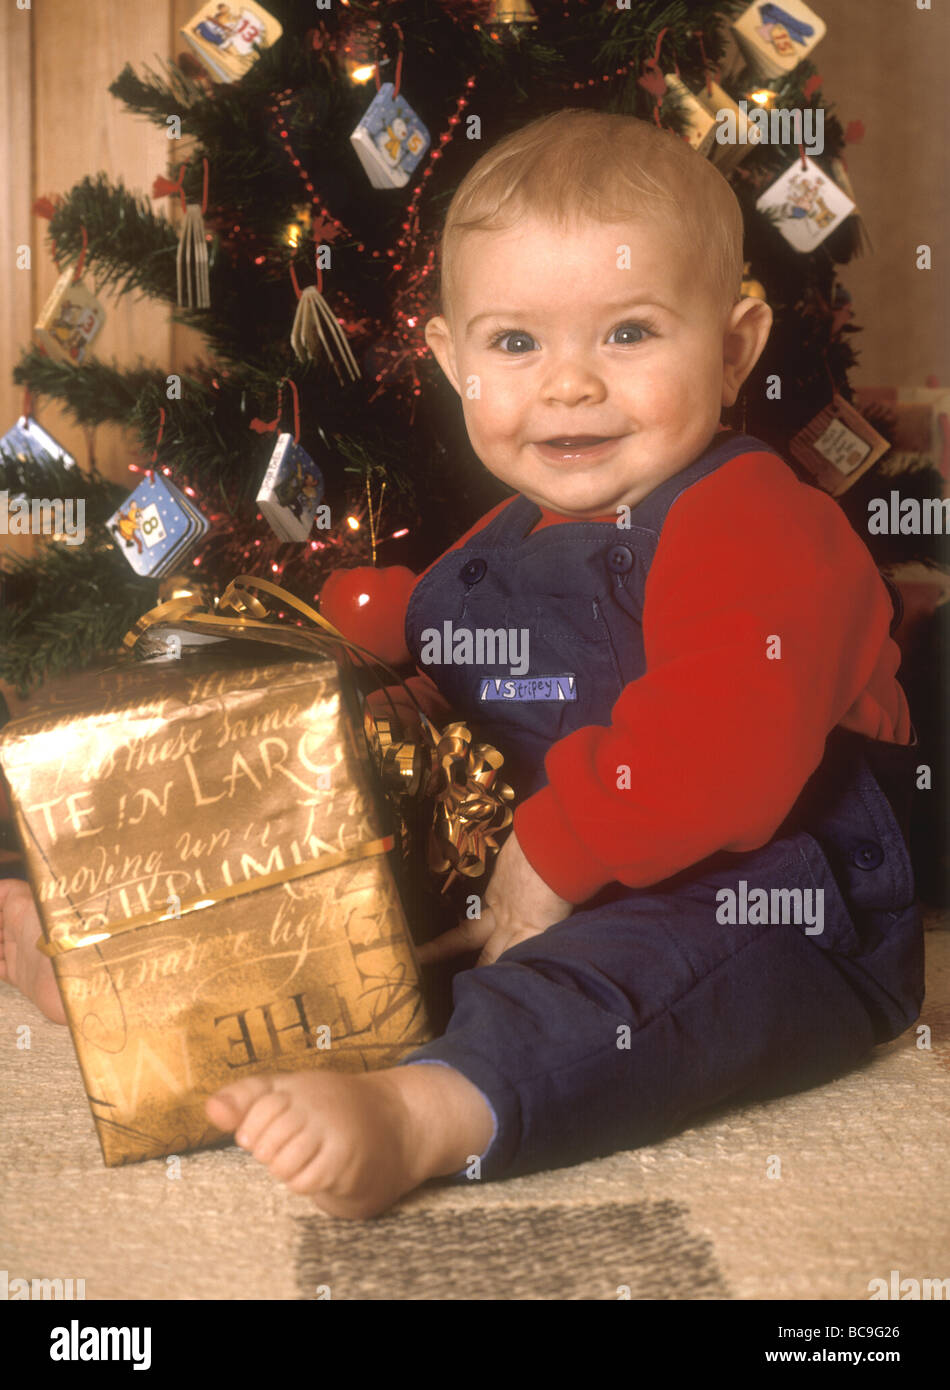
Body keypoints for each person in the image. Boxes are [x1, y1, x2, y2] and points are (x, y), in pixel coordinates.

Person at [0, 110, 923, 1219]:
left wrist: (555, 845)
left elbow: (725, 740)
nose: (568, 384)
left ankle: (435, 1111)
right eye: (515, 343)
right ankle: (132, 981)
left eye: (627, 334)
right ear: (449, 358)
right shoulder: (497, 544)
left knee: (642, 980)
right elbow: (440, 680)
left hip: (777, 884)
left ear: (730, 347)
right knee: (349, 913)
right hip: (533, 869)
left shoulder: (754, 523)